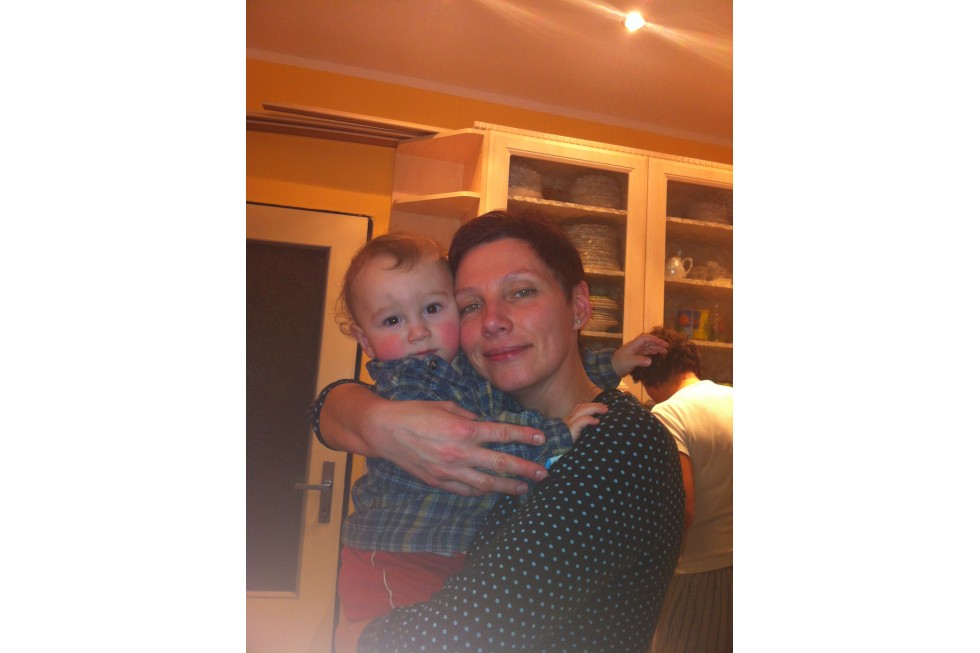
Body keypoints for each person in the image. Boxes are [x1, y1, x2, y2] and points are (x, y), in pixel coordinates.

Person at [315, 210, 685, 652]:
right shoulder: (475, 397)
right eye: (471, 305)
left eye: (522, 292)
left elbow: (467, 635)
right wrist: (370, 418)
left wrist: (358, 641)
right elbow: (329, 407)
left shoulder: (620, 443)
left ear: (580, 305)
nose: (492, 321)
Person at [629, 326, 733, 653]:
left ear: (649, 378)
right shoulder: (734, 398)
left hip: (697, 573)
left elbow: (681, 511)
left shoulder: (669, 413)